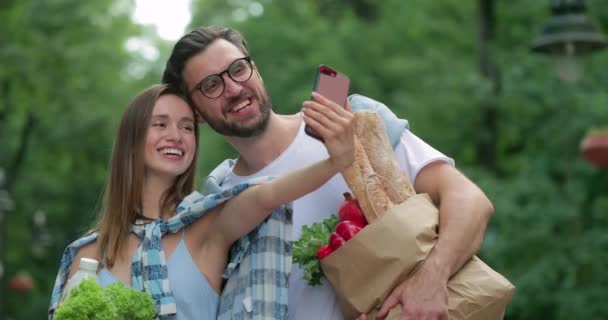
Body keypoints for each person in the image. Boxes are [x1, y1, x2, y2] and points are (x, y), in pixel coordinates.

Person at [162, 25, 494, 320]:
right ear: (197, 114)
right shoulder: (217, 205)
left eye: (238, 69)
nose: (234, 88)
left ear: (257, 71)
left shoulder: (350, 121)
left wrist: (431, 280)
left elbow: (470, 200)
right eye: (211, 86)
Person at [48, 83, 356, 319]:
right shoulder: (86, 254)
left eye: (186, 127)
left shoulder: (205, 229)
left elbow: (267, 194)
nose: (177, 136)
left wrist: (334, 162)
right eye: (160, 124)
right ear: (132, 139)